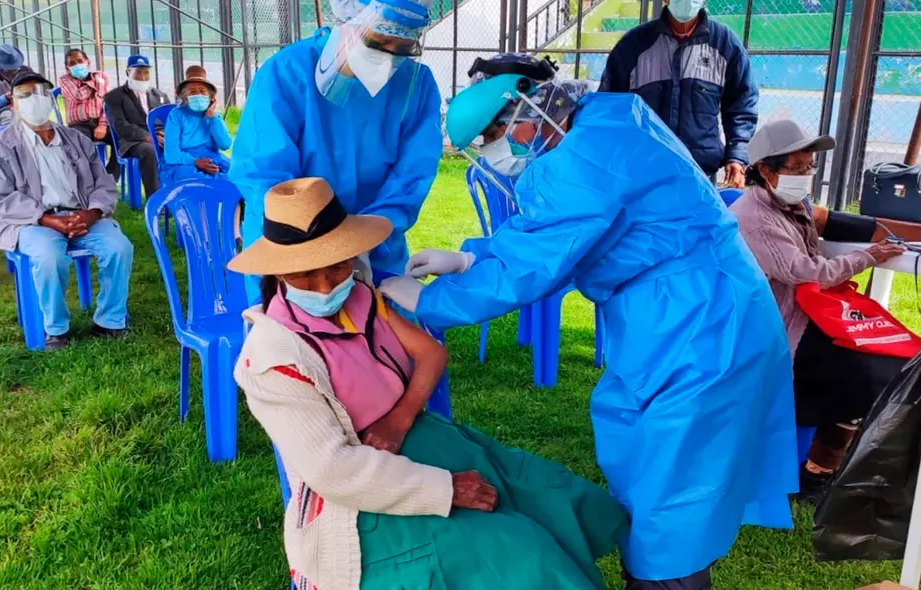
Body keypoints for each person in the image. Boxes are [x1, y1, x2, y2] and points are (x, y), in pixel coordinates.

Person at [382, 74, 796, 589]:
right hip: (682, 309)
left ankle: (663, 580)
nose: (490, 154)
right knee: (644, 453)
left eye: (490, 138)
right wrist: (472, 257)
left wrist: (432, 300)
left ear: (524, 115)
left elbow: (538, 261)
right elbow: (559, 234)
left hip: (700, 323)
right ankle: (653, 569)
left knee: (675, 478)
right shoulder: (604, 119)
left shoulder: (581, 159)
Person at [228, 177, 628, 590]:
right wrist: (446, 489)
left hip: (420, 440)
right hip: (365, 500)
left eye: (337, 267)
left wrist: (399, 419)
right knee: (520, 554)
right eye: (305, 276)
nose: (326, 287)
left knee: (551, 496)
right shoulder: (273, 357)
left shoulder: (360, 297)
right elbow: (334, 471)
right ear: (279, 273)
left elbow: (431, 353)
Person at [730, 119, 915, 505]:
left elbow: (825, 220)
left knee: (895, 358)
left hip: (812, 315)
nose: (805, 176)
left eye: (809, 167)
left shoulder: (790, 203)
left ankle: (840, 463)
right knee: (867, 373)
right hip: (781, 330)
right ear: (765, 169)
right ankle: (819, 472)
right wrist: (869, 256)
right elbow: (809, 272)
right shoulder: (755, 217)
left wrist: (888, 234)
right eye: (796, 168)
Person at [230, 0, 442, 303]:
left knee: (380, 327)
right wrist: (320, 249)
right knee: (289, 329)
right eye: (378, 41)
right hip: (291, 248)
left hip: (375, 246)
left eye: (403, 47)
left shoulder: (416, 84)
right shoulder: (288, 72)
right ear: (347, 20)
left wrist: (365, 238)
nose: (388, 57)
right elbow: (265, 172)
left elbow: (412, 175)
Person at [0, 71, 134, 351]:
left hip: (81, 214)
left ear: (52, 100)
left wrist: (92, 213)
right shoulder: (0, 146)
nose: (35, 100)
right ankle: (56, 328)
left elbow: (103, 183)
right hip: (31, 221)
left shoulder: (76, 139)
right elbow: (1, 196)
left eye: (41, 93)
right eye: (25, 95)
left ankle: (110, 320)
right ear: (13, 103)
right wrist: (47, 219)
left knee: (119, 248)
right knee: (50, 256)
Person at [599, 0, 757, 188]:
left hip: (701, 177)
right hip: (644, 177)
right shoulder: (633, 46)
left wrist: (737, 155)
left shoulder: (725, 45)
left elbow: (742, 105)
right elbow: (608, 106)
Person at [102, 54, 170, 197]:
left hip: (160, 137)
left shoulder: (160, 96)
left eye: (146, 72)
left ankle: (177, 195)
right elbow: (120, 126)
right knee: (149, 150)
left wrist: (164, 134)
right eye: (138, 72)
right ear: (128, 72)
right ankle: (155, 200)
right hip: (133, 141)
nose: (143, 76)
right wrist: (149, 137)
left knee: (182, 147)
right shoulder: (114, 96)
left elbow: (168, 120)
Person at [159, 65, 231, 184]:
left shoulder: (213, 116)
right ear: (185, 97)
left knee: (238, 175)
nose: (198, 95)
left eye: (202, 91)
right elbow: (171, 154)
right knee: (191, 178)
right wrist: (196, 161)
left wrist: (212, 117)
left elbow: (225, 144)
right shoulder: (176, 115)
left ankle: (219, 185)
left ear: (210, 97)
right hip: (182, 162)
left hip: (211, 158)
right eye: (193, 92)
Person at [58, 48, 120, 180]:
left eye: (80, 61)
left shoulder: (101, 76)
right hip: (78, 125)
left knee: (122, 139)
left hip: (99, 123)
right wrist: (95, 84)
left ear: (88, 62)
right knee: (80, 146)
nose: (77, 65)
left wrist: (102, 124)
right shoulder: (65, 80)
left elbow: (106, 103)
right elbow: (78, 95)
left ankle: (109, 178)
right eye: (72, 63)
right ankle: (89, 180)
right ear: (67, 68)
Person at [0, 44, 35, 125]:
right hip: (4, 111)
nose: (13, 70)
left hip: (27, 108)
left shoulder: (27, 72)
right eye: (9, 68)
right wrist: (5, 98)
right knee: (8, 121)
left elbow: (39, 92)